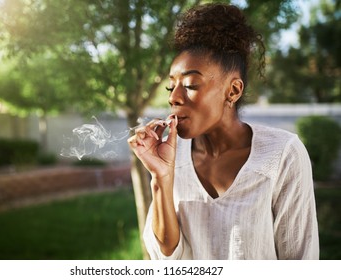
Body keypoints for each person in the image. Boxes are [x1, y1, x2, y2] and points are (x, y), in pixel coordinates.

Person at [127, 3, 319, 259]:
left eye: (191, 84)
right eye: (170, 87)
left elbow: (301, 261)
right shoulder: (172, 156)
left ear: (233, 91)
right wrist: (161, 177)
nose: (174, 97)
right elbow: (168, 257)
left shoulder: (282, 154)